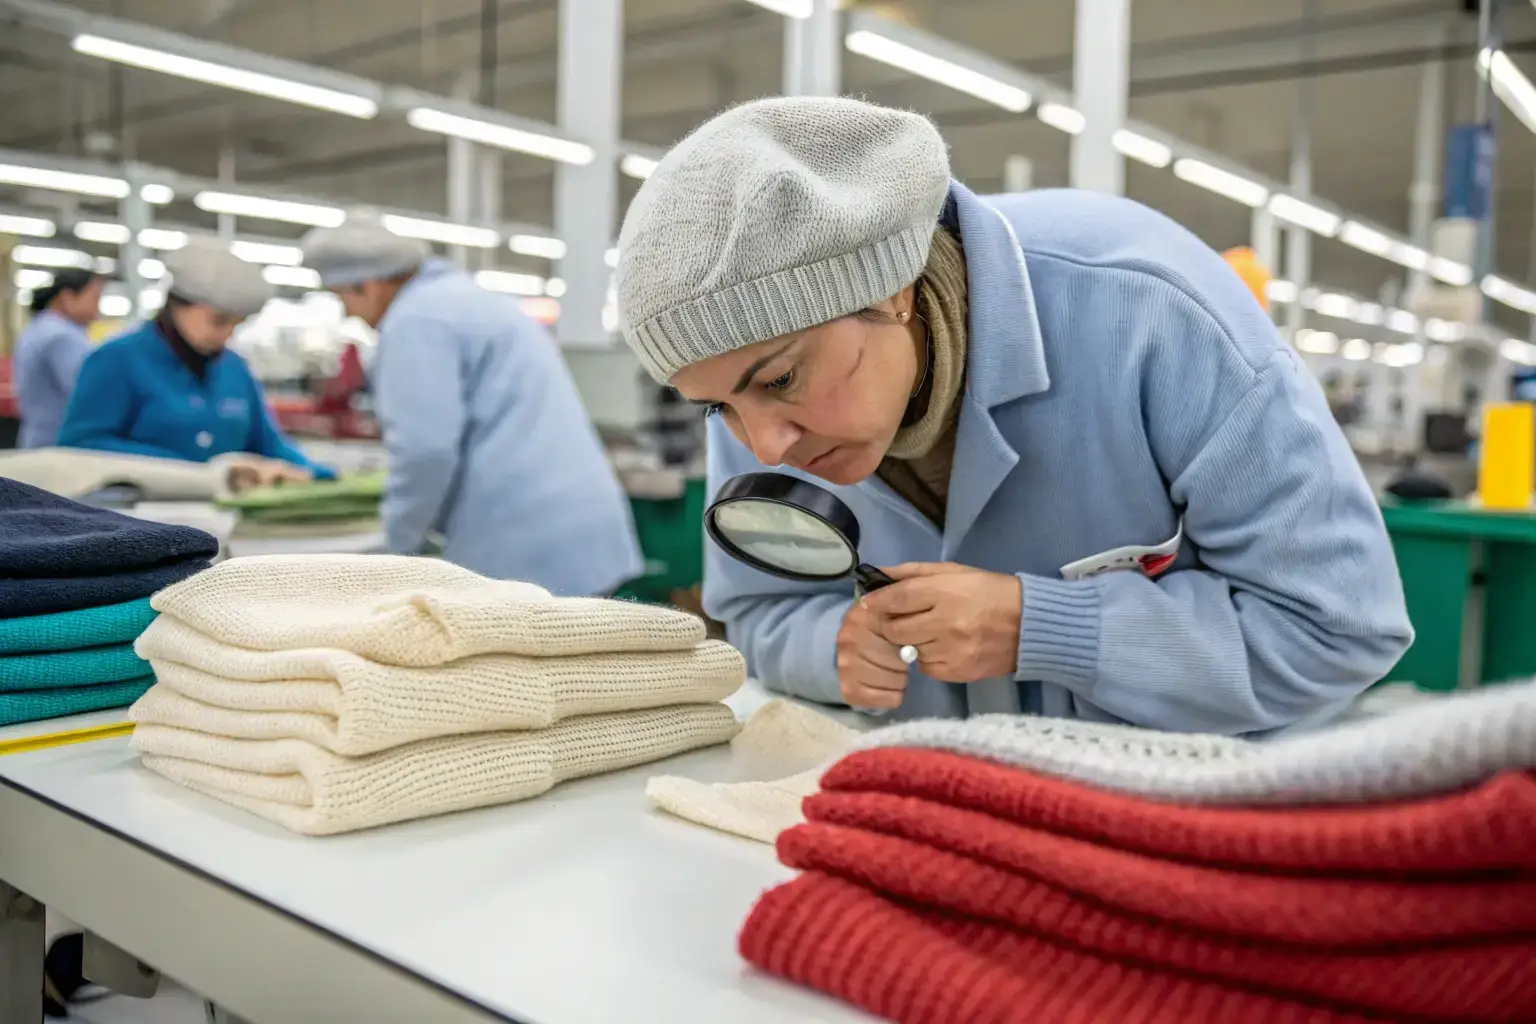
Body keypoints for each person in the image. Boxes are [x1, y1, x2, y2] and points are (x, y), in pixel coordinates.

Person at [614, 96, 1413, 734]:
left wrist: (1050, 627)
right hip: (933, 817)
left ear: (892, 285)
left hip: (1175, 819)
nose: (765, 447)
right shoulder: (758, 398)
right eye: (719, 405)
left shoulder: (1148, 311)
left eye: (783, 379)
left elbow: (1340, 629)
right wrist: (834, 650)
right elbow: (757, 610)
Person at [300, 212, 643, 596]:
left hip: (523, 542)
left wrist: (395, 551)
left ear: (370, 284)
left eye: (341, 297)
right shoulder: (468, 299)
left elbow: (424, 451)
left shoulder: (415, 320)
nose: (347, 313)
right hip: (580, 527)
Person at [59, 237, 333, 486]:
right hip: (139, 520)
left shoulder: (234, 368)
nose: (226, 335)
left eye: (237, 325)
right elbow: (81, 444)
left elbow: (267, 442)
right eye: (219, 321)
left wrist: (316, 473)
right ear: (178, 304)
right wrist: (196, 469)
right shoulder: (115, 361)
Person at [14, 268, 102, 448]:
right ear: (68, 297)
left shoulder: (38, 328)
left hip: (36, 441)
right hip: (58, 446)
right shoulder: (63, 336)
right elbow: (89, 392)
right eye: (95, 299)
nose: (97, 309)